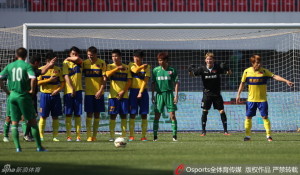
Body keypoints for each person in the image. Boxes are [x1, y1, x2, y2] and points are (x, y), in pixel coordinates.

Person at [236, 55, 294, 141]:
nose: (259, 65)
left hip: (262, 100)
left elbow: (275, 76)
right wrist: (238, 95)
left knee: (265, 117)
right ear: (252, 63)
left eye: (260, 63)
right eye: (257, 63)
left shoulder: (264, 71)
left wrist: (286, 81)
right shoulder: (247, 72)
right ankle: (247, 136)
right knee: (248, 117)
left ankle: (268, 136)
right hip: (251, 100)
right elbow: (242, 84)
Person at [0, 47, 47, 152]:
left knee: (14, 122)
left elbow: (0, 77)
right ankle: (39, 147)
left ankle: (18, 148)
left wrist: (6, 91)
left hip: (12, 96)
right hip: (23, 96)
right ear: (26, 56)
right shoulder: (27, 66)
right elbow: (33, 78)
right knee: (33, 121)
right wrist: (31, 90)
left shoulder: (10, 66)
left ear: (16, 55)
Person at [188, 52, 232, 136]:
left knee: (222, 111)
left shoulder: (218, 67)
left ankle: (226, 131)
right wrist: (190, 70)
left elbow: (229, 73)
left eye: (211, 59)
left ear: (213, 60)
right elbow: (192, 75)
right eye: (207, 59)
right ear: (205, 60)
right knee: (205, 111)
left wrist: (228, 69)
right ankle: (203, 131)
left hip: (217, 94)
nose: (209, 60)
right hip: (207, 94)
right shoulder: (202, 69)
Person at [37, 51, 65, 142]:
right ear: (48, 60)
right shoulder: (41, 70)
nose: (55, 62)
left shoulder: (58, 69)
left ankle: (55, 136)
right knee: (43, 116)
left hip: (55, 96)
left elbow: (63, 83)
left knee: (55, 116)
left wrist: (57, 90)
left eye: (55, 61)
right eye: (53, 60)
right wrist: (49, 80)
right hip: (44, 95)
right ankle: (41, 136)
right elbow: (37, 82)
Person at [152, 52, 179, 141]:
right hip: (159, 95)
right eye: (159, 60)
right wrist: (153, 95)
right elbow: (153, 83)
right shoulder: (155, 70)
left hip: (169, 94)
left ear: (166, 60)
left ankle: (174, 136)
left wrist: (176, 95)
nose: (160, 62)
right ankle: (155, 136)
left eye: (161, 60)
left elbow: (176, 83)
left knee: (172, 115)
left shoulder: (172, 70)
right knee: (157, 115)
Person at [106, 49, 131, 142]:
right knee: (113, 115)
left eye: (116, 56)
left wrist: (123, 92)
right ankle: (112, 136)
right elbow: (107, 74)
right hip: (113, 96)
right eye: (113, 56)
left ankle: (124, 136)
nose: (114, 58)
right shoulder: (109, 66)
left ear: (120, 57)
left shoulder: (127, 67)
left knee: (124, 115)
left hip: (124, 96)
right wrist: (117, 68)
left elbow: (129, 81)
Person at [82, 46, 106, 142]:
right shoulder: (84, 63)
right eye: (88, 55)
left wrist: (100, 90)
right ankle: (89, 136)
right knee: (89, 114)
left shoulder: (102, 63)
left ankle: (94, 135)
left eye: (91, 55)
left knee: (97, 114)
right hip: (88, 93)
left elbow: (104, 78)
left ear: (96, 54)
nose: (90, 57)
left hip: (99, 92)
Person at [128, 50, 150, 141]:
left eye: (138, 57)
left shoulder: (147, 67)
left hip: (143, 91)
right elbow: (135, 70)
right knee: (132, 113)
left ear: (142, 58)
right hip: (133, 91)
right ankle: (131, 136)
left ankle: (143, 136)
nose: (136, 59)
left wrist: (140, 92)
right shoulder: (131, 65)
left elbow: (145, 80)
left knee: (144, 114)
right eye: (134, 57)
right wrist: (142, 66)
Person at [63, 46, 83, 141]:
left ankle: (78, 136)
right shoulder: (65, 63)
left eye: (75, 54)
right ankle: (68, 136)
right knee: (68, 114)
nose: (74, 56)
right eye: (72, 54)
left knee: (78, 114)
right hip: (68, 92)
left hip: (78, 91)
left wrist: (69, 57)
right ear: (69, 54)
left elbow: (78, 59)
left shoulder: (80, 63)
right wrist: (71, 89)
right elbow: (66, 77)